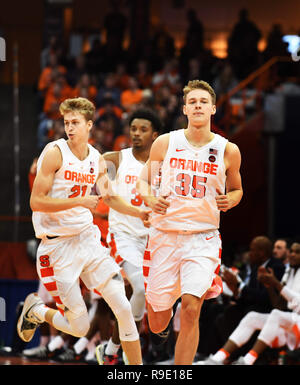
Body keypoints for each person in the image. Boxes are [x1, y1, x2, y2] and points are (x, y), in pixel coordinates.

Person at [17, 97, 151, 365]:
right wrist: (79, 201)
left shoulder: (96, 159)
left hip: (87, 240)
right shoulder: (54, 152)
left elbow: (110, 198)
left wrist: (140, 213)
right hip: (57, 247)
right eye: (66, 123)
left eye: (75, 122)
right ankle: (37, 310)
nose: (70, 128)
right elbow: (36, 201)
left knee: (123, 307)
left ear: (89, 125)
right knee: (78, 327)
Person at [136, 79, 243, 365]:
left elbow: (237, 189)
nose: (198, 105)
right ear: (185, 108)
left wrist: (232, 199)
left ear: (213, 109)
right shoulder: (166, 142)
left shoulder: (227, 150)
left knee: (192, 309)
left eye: (203, 102)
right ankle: (162, 317)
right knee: (157, 321)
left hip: (202, 237)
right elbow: (144, 182)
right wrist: (149, 199)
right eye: (192, 102)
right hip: (165, 236)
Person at [95, 107, 161, 365]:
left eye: (143, 129)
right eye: (133, 128)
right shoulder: (113, 159)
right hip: (122, 236)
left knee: (145, 296)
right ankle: (126, 354)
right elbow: (107, 197)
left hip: (152, 239)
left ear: (155, 135)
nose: (136, 133)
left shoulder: (164, 165)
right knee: (140, 290)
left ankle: (111, 350)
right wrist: (138, 211)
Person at [196, 242, 300, 365]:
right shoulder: (289, 272)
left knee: (276, 314)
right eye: (292, 251)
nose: (293, 254)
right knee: (252, 316)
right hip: (290, 321)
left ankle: (247, 360)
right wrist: (269, 285)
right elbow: (279, 305)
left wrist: (276, 283)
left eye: (297, 252)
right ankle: (217, 359)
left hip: (296, 321)